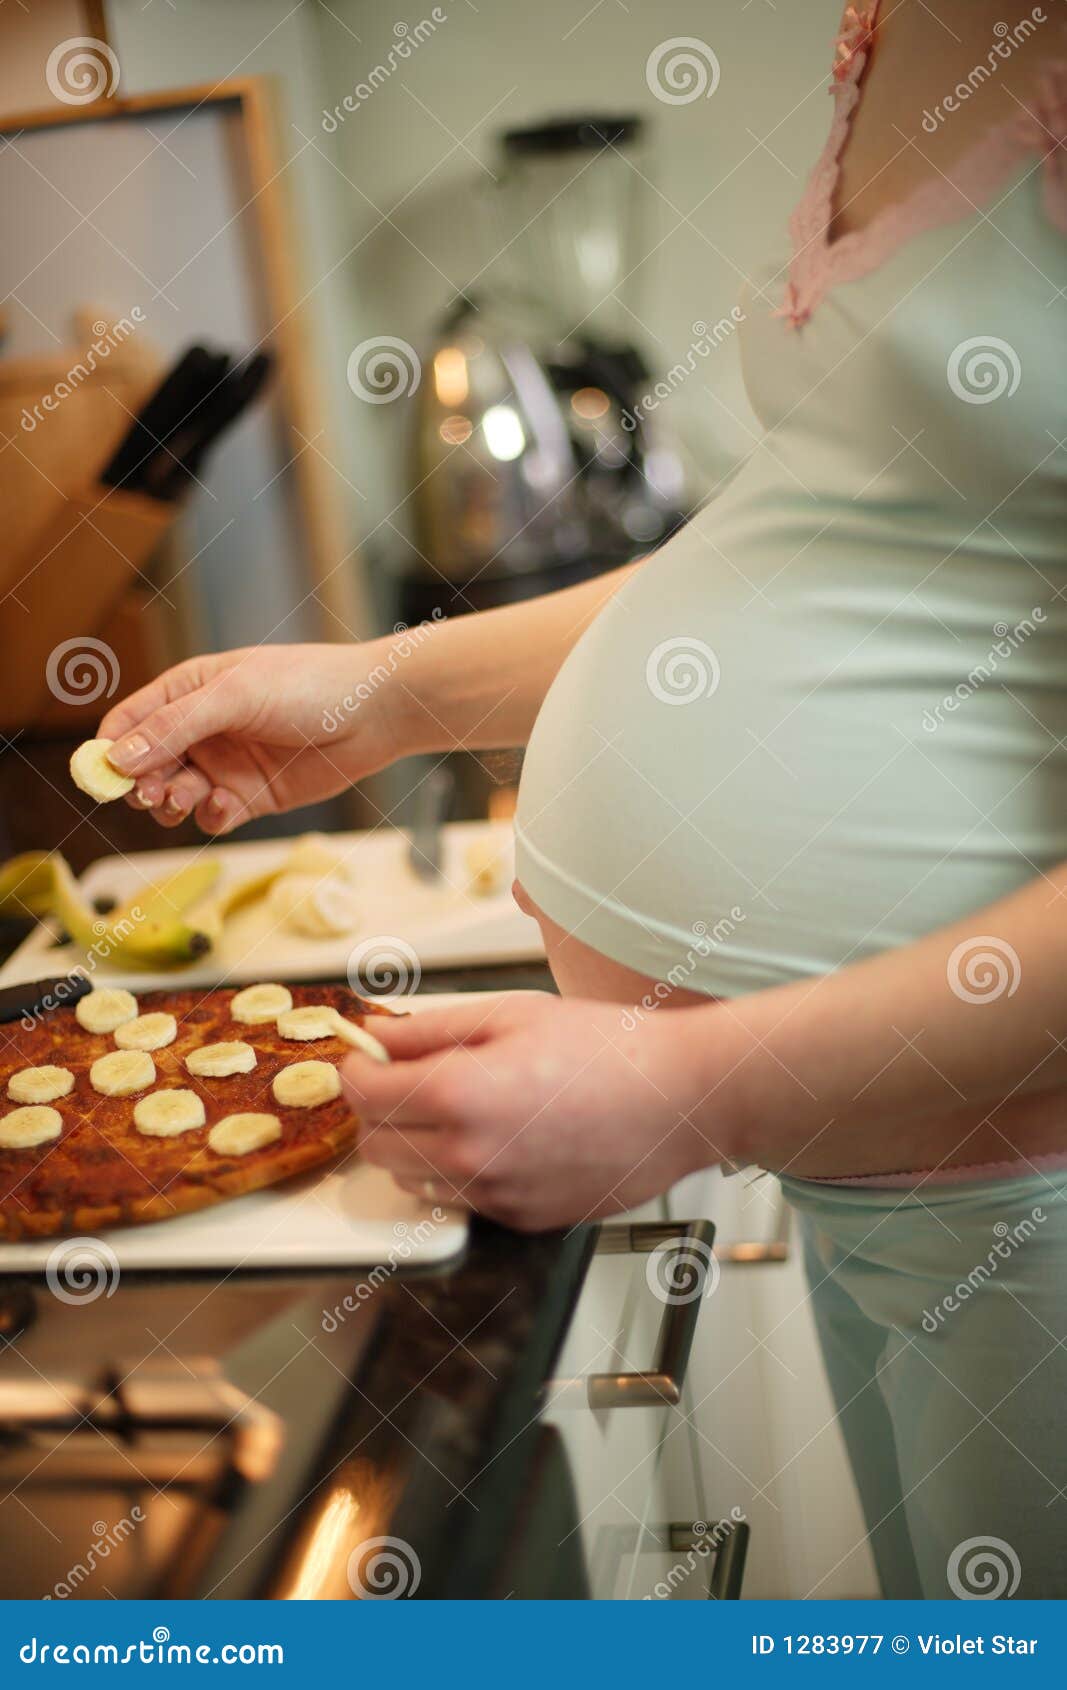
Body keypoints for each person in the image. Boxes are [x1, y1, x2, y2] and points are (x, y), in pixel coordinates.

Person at [99, 2, 1067, 1597]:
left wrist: (691, 1090)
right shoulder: (909, 22)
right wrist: (381, 695)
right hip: (871, 1155)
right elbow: (819, 548)